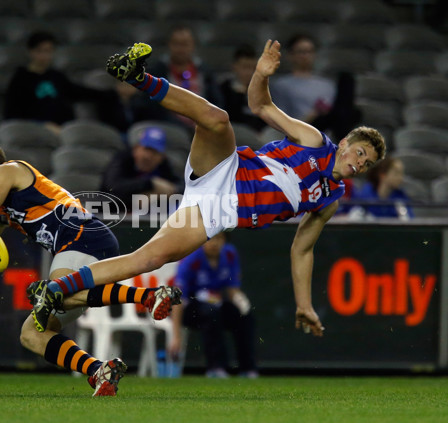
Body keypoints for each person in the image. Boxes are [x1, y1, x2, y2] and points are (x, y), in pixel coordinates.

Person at [28, 40, 386, 341]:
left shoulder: (330, 199)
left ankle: (54, 289)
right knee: (216, 119)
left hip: (219, 214)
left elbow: (302, 250)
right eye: (359, 152)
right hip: (225, 170)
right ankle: (138, 76)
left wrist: (304, 304)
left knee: (150, 259)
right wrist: (260, 75)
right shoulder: (313, 141)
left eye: (366, 163)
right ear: (344, 143)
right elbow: (260, 106)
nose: (359, 162)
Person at [0, 134, 181, 397]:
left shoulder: (9, 170)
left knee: (57, 293)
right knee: (32, 333)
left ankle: (148, 297)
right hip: (77, 248)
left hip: (82, 237)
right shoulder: (3, 210)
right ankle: (98, 370)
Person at [169, 233, 258, 378]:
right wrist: (176, 336)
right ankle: (216, 368)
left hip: (216, 305)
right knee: (211, 314)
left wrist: (241, 302)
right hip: (191, 309)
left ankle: (248, 369)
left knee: (244, 316)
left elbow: (232, 289)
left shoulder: (230, 254)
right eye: (210, 239)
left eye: (219, 239)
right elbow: (178, 299)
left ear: (224, 240)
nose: (214, 243)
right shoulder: (191, 259)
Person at [3, 31, 114, 133]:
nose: (45, 56)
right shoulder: (20, 79)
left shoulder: (56, 76)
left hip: (63, 126)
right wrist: (41, 125)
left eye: (48, 51)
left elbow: (77, 91)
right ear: (31, 52)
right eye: (40, 51)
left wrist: (112, 92)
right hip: (36, 128)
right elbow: (13, 112)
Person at [147, 24, 222, 129]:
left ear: (193, 45)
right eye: (176, 44)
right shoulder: (157, 71)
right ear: (169, 44)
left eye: (185, 44)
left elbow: (216, 103)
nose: (180, 49)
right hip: (168, 128)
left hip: (203, 127)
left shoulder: (205, 72)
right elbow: (152, 107)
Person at [101, 126, 182, 209]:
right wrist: (151, 183)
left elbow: (181, 185)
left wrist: (172, 189)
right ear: (136, 149)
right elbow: (112, 187)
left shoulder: (163, 165)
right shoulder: (122, 159)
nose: (148, 156)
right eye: (146, 149)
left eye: (155, 152)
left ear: (162, 157)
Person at [269, 34, 336, 124]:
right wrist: (312, 116)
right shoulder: (281, 85)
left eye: (309, 52)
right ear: (291, 55)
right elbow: (280, 120)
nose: (305, 56)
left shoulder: (328, 85)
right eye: (301, 52)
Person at [218, 44, 267, 132]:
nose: (249, 72)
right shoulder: (225, 87)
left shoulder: (262, 89)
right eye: (245, 67)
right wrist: (239, 94)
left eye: (253, 68)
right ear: (234, 66)